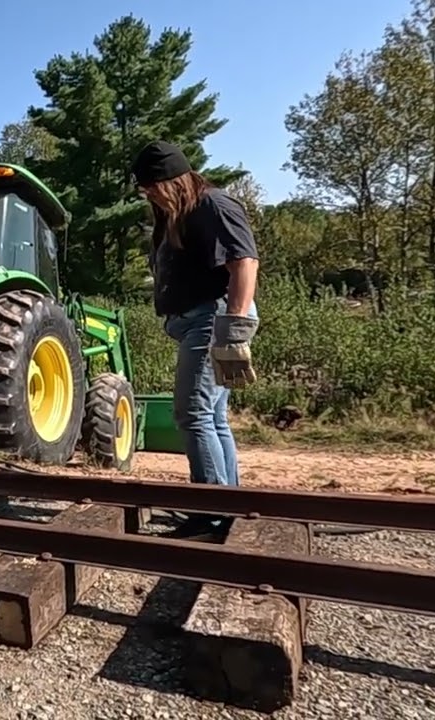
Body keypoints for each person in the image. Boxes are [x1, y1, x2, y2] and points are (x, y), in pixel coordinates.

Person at [131, 140, 260, 536]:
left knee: (192, 412)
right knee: (213, 416)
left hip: (216, 317)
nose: (148, 194)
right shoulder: (174, 214)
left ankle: (209, 513)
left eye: (152, 186)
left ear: (173, 179)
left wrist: (234, 328)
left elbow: (245, 260)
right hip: (200, 319)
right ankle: (227, 505)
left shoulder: (214, 205)